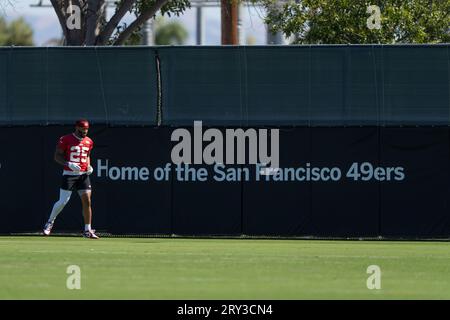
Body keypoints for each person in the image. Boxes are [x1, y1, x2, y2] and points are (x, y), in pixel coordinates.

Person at [43, 119, 99, 239]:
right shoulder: (66, 139)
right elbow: (57, 156)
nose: (85, 132)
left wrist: (89, 166)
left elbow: (87, 155)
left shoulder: (89, 141)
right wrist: (68, 164)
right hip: (69, 174)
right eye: (83, 129)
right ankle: (49, 222)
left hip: (83, 175)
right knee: (63, 201)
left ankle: (87, 230)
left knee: (87, 201)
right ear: (76, 128)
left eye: (86, 129)